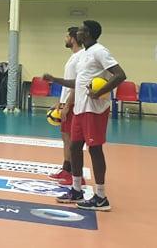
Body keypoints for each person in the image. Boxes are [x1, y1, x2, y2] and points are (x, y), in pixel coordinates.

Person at [46, 20, 125, 211]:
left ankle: (100, 197)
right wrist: (55, 80)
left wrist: (99, 92)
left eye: (80, 30)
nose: (77, 32)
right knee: (74, 147)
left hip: (94, 109)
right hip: (80, 108)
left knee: (95, 149)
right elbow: (79, 82)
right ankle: (76, 190)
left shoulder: (100, 51)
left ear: (87, 33)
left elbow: (120, 74)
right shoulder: (84, 55)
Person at [44, 27, 84, 186]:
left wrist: (68, 105)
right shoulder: (73, 57)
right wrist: (61, 102)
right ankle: (66, 170)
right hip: (67, 103)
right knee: (66, 138)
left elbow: (76, 85)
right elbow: (68, 84)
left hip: (73, 105)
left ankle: (75, 174)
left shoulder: (79, 57)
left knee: (72, 140)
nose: (65, 38)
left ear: (73, 38)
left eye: (67, 36)